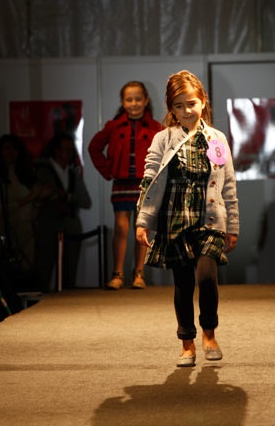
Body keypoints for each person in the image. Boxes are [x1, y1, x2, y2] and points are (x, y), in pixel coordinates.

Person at [136, 70, 239, 367]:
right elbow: (149, 179)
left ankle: (209, 333)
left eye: (191, 103)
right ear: (171, 108)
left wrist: (232, 225)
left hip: (209, 219)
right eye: (178, 106)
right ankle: (187, 343)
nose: (186, 110)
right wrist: (143, 220)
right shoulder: (163, 138)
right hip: (175, 218)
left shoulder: (216, 139)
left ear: (203, 101)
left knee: (206, 277)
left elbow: (228, 184)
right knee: (183, 283)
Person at [88, 81, 162, 290]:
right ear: (122, 102)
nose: (134, 103)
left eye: (138, 99)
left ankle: (139, 273)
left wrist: (159, 177)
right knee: (121, 228)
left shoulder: (156, 127)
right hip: (121, 183)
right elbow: (94, 147)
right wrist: (107, 170)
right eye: (129, 99)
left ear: (146, 100)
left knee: (142, 228)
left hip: (145, 184)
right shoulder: (113, 126)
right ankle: (117, 274)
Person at [33, 132, 92, 292]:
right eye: (64, 149)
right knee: (43, 269)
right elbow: (40, 193)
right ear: (56, 150)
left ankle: (68, 303)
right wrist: (57, 196)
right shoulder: (42, 169)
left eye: (70, 150)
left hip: (71, 226)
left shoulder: (73, 173)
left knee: (70, 273)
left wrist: (66, 196)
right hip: (48, 224)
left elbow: (86, 201)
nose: (67, 153)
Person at [0, 134, 46, 290]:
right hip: (5, 235)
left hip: (27, 235)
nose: (11, 152)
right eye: (7, 149)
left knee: (27, 277)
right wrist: (27, 199)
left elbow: (32, 208)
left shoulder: (25, 175)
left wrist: (38, 201)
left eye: (14, 149)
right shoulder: (0, 179)